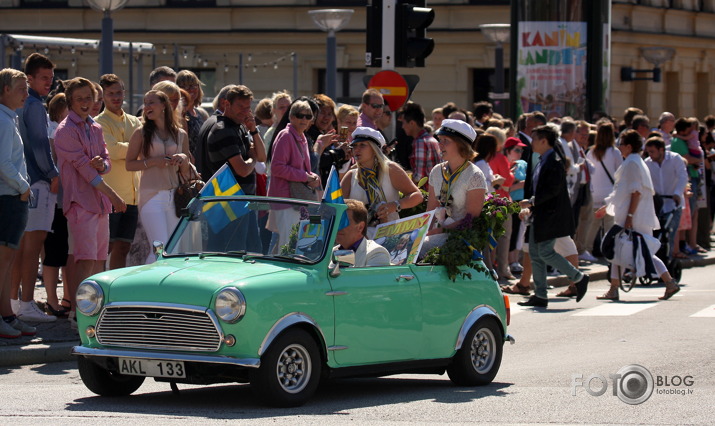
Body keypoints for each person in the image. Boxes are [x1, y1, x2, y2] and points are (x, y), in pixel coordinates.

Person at [54, 77, 127, 321]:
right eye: (80, 99)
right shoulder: (65, 131)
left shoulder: (95, 127)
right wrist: (113, 194)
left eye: (89, 97)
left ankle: (95, 310)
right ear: (70, 101)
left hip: (98, 203)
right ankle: (78, 312)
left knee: (97, 260)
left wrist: (102, 164)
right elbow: (85, 171)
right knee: (84, 260)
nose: (86, 103)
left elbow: (104, 162)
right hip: (80, 202)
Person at [595, 130, 680, 301]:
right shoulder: (635, 162)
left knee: (633, 250)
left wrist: (630, 216)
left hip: (634, 216)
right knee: (624, 250)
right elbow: (624, 191)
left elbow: (635, 192)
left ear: (629, 146)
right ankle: (615, 287)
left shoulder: (632, 164)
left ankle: (668, 282)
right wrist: (608, 207)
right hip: (633, 214)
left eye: (621, 144)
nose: (619, 147)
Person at [517, 124, 589, 308]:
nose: (531, 142)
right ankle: (540, 295)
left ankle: (578, 278)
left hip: (550, 216)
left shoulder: (554, 160)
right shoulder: (543, 159)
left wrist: (531, 201)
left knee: (545, 252)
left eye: (534, 139)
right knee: (535, 253)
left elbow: (552, 190)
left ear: (544, 141)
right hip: (540, 215)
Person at [11, 53, 58, 322]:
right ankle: (27, 303)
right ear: (29, 78)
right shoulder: (35, 105)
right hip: (38, 181)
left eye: (51, 78)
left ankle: (16, 301)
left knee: (20, 247)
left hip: (22, 182)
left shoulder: (17, 104)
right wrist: (53, 173)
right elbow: (41, 144)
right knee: (32, 248)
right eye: (44, 78)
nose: (49, 82)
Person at [126, 89, 191, 263]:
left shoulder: (180, 134)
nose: (146, 106)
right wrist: (153, 162)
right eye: (145, 103)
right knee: (159, 248)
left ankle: (169, 287)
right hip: (151, 196)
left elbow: (188, 168)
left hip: (175, 196)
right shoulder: (141, 133)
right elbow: (129, 164)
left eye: (151, 102)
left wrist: (183, 159)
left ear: (164, 105)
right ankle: (151, 287)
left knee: (174, 249)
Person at [205, 85, 267, 252]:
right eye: (240, 107)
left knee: (253, 251)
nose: (245, 112)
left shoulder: (239, 127)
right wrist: (252, 157)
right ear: (226, 104)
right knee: (234, 254)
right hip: (229, 204)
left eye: (248, 108)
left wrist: (254, 131)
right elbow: (243, 169)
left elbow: (262, 157)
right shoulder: (223, 130)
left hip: (244, 202)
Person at [0, 68, 37, 338]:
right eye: (21, 88)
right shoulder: (2, 121)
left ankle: (8, 316)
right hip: (8, 198)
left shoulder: (8, 118)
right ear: (5, 90)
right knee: (2, 264)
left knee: (8, 263)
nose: (26, 93)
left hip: (13, 197)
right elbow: (2, 163)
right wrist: (24, 187)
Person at [95, 74, 143, 270]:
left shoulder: (134, 121)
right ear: (103, 97)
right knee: (106, 247)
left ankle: (114, 287)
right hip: (112, 195)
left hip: (133, 196)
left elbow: (144, 148)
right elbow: (112, 150)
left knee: (123, 247)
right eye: (110, 94)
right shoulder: (99, 122)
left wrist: (128, 149)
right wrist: (135, 149)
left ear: (124, 93)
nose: (116, 97)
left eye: (118, 92)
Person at [341, 127, 422, 238]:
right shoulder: (351, 175)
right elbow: (337, 207)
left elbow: (417, 196)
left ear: (374, 149)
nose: (357, 150)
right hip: (358, 237)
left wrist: (395, 205)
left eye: (362, 145)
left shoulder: (390, 170)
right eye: (354, 146)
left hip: (389, 234)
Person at [421, 119, 487, 254]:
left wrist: (442, 230)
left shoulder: (475, 175)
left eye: (446, 141)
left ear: (461, 145)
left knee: (421, 249)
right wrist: (422, 232)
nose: (440, 145)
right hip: (438, 232)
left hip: (461, 239)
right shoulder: (436, 170)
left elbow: (471, 220)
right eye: (440, 140)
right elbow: (430, 210)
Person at [266, 100, 321, 249]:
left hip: (297, 200)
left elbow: (300, 168)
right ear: (291, 117)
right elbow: (277, 168)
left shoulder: (301, 137)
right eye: (299, 115)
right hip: (286, 199)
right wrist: (305, 176)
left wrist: (312, 177)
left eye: (308, 116)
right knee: (288, 245)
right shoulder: (285, 136)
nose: (304, 119)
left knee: (293, 244)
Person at [582, 120, 623, 261]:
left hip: (594, 192)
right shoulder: (614, 152)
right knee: (609, 224)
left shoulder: (591, 151)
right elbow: (620, 172)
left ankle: (587, 249)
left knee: (593, 224)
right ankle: (608, 251)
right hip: (610, 192)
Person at [644, 136, 688, 260]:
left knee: (670, 233)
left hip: (673, 203)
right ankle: (656, 259)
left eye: (652, 151)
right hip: (657, 204)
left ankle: (668, 258)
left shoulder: (675, 159)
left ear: (661, 150)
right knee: (656, 234)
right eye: (649, 152)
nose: (650, 155)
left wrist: (677, 193)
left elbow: (682, 177)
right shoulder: (647, 163)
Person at [334, 199, 390, 268]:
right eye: (335, 221)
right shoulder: (331, 252)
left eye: (343, 222)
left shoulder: (377, 253)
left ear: (360, 227)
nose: (337, 226)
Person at [195, 84, 236, 178]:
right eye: (239, 104)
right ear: (224, 103)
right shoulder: (221, 125)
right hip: (218, 185)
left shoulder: (212, 121)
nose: (245, 110)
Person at [401, 102, 440, 189]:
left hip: (426, 196)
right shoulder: (431, 139)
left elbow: (419, 177)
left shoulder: (421, 142)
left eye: (403, 123)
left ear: (412, 123)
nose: (402, 127)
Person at [176, 70, 209, 159]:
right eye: (184, 86)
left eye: (192, 85)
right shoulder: (179, 113)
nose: (189, 89)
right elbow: (182, 143)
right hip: (188, 164)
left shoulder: (201, 113)